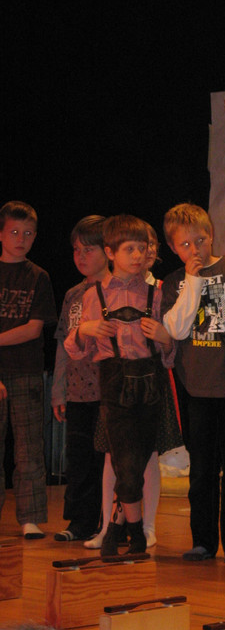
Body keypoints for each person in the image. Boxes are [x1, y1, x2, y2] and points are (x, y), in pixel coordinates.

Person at [64, 214, 174, 557]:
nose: (138, 255)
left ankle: (130, 530)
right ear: (110, 252)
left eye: (143, 248)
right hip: (113, 385)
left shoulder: (156, 293)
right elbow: (75, 349)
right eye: (130, 249)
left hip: (150, 385)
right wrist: (85, 330)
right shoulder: (94, 295)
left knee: (141, 460)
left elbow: (170, 355)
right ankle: (123, 529)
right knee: (122, 463)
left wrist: (166, 339)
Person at [161, 203, 225, 563]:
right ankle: (202, 540)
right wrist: (193, 281)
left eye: (200, 240)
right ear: (173, 248)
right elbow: (177, 329)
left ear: (211, 234)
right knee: (201, 470)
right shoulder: (175, 281)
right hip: (195, 389)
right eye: (185, 245)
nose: (195, 250)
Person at [0, 201, 57, 539]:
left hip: (26, 370)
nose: (21, 239)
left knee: (29, 448)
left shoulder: (38, 276)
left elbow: (34, 329)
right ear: (1, 234)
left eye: (28, 233)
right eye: (14, 232)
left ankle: (30, 518)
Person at [52, 215, 108, 542]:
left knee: (107, 460)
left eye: (89, 249)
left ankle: (111, 523)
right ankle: (79, 523)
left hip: (108, 390)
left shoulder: (118, 289)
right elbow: (63, 342)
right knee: (80, 458)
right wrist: (58, 390)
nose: (81, 256)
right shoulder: (73, 294)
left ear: (108, 250)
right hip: (76, 390)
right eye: (76, 250)